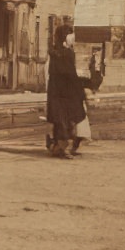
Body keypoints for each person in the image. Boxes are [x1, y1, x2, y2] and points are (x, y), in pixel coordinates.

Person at [45, 25, 100, 159]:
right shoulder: (67, 53)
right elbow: (69, 74)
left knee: (61, 120)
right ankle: (60, 148)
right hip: (66, 92)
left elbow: (60, 74)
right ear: (65, 37)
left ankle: (57, 146)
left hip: (57, 91)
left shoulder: (56, 52)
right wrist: (85, 85)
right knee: (68, 119)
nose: (73, 38)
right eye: (70, 35)